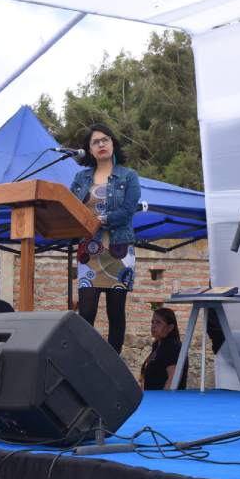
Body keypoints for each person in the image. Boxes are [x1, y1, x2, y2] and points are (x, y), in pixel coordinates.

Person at [69, 123, 141, 354]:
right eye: (95, 142)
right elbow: (70, 206)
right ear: (89, 150)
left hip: (118, 248)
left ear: (113, 144)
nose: (101, 144)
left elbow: (128, 210)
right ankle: (85, 360)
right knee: (87, 310)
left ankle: (112, 364)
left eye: (105, 140)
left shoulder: (128, 176)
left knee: (115, 311)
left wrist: (101, 219)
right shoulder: (81, 178)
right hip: (88, 250)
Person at [140, 307, 187, 390]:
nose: (153, 326)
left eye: (158, 322)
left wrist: (164, 400)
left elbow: (173, 379)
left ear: (170, 327)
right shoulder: (157, 345)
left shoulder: (173, 347)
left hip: (164, 400)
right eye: (152, 322)